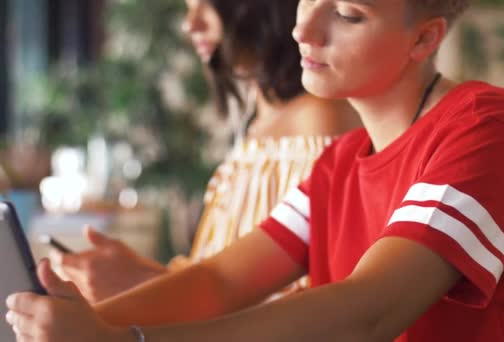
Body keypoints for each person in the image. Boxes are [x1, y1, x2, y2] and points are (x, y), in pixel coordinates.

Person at [6, 0, 504, 341]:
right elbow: (220, 283)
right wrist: (79, 325)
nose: (303, 30)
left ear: (424, 39)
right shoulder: (339, 164)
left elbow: (367, 313)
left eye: (346, 13)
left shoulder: (484, 129)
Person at [45, 0, 360, 304]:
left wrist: (145, 286)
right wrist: (143, 276)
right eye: (188, 7)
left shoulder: (317, 123)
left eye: (209, 6)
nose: (190, 24)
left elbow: (309, 307)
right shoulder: (261, 120)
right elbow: (228, 277)